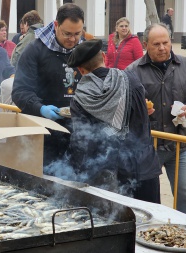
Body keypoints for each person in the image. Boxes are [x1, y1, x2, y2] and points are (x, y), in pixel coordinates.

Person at [65, 39, 161, 202]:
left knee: (118, 224)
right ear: (103, 56)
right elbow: (140, 119)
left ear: (81, 70)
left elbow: (82, 142)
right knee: (150, 224)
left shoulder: (80, 99)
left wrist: (76, 172)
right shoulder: (131, 79)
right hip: (144, 167)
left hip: (108, 176)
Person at [12, 3, 84, 166]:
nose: (72, 39)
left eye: (77, 34)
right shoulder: (34, 51)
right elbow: (20, 91)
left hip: (79, 134)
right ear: (56, 25)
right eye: (67, 34)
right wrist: (40, 108)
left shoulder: (84, 50)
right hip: (43, 134)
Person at [126, 23, 186, 213]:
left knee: (184, 192)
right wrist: (138, 110)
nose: (162, 48)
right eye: (156, 44)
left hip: (180, 143)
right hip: (148, 146)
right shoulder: (132, 72)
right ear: (145, 45)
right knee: (148, 197)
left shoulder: (184, 65)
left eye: (165, 43)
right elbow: (122, 110)